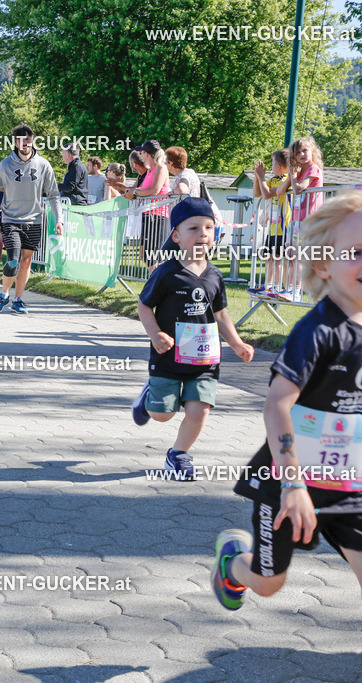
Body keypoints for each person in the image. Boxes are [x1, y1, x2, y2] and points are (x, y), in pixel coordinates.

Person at [212, 189, 362, 683]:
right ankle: (233, 566)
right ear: (325, 264)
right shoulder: (317, 331)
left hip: (356, 489)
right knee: (268, 585)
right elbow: (277, 403)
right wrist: (293, 485)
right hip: (288, 486)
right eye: (355, 252)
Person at [131, 197, 253, 479]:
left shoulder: (215, 276)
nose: (202, 234)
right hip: (168, 358)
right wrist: (155, 333)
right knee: (163, 415)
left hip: (205, 360)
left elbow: (221, 314)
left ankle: (179, 454)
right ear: (176, 235)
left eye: (208, 228)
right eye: (194, 228)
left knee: (199, 411)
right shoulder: (166, 273)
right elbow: (144, 305)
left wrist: (236, 342)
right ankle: (150, 396)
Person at [0, 124, 63, 314]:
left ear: (32, 140)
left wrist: (59, 218)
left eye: (27, 139)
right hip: (10, 219)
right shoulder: (5, 165)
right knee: (12, 260)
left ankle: (18, 299)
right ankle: (3, 295)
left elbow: (53, 195)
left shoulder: (43, 165)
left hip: (34, 220)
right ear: (15, 142)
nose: (24, 143)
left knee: (26, 262)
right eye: (20, 139)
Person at [279, 136, 325, 301]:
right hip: (297, 219)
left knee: (298, 255)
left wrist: (293, 177)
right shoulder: (298, 173)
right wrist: (292, 174)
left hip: (309, 218)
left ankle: (295, 291)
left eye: (305, 150)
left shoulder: (313, 170)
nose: (302, 154)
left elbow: (298, 189)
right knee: (291, 253)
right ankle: (289, 288)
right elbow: (280, 191)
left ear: (312, 151)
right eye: (298, 153)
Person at [123, 140, 171, 272]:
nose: (139, 155)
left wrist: (135, 193)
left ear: (147, 154)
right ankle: (158, 285)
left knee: (152, 256)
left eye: (141, 152)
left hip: (158, 216)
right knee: (146, 255)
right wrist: (132, 192)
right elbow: (142, 190)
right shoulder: (150, 171)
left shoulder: (161, 168)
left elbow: (154, 190)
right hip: (148, 215)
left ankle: (158, 287)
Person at [251, 150, 292, 298]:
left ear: (279, 166)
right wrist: (258, 177)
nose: (271, 166)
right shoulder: (274, 179)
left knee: (277, 258)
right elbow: (257, 193)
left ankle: (276, 287)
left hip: (284, 228)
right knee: (270, 258)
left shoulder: (285, 180)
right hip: (273, 228)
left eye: (273, 163)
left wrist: (262, 177)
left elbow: (267, 194)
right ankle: (268, 286)